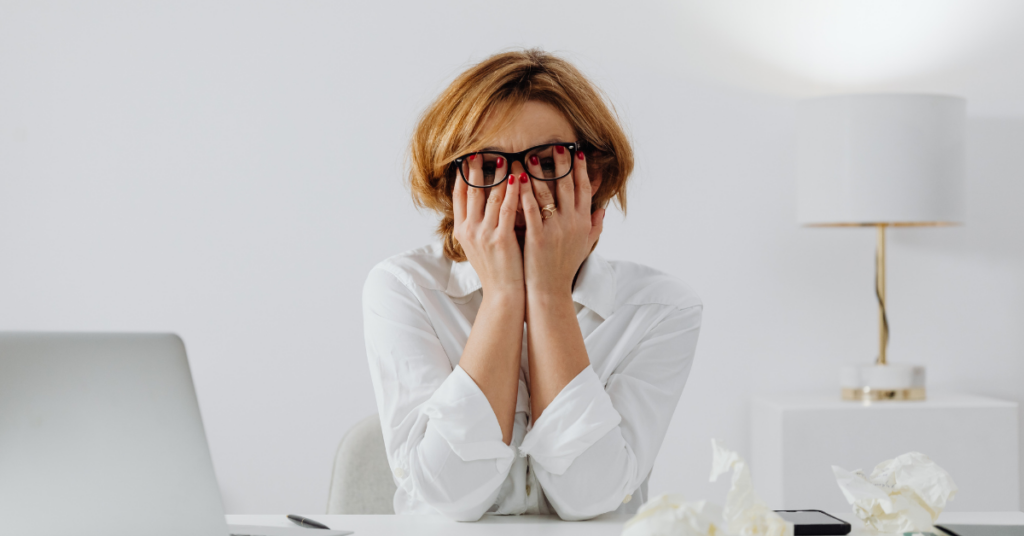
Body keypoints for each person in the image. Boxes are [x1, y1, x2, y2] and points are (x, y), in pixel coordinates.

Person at [363, 49, 702, 521]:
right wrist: (504, 297)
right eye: (488, 166)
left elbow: (590, 497)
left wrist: (548, 294)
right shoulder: (405, 289)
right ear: (451, 182)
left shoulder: (661, 310)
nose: (519, 191)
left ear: (594, 176)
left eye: (546, 162)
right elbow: (450, 496)